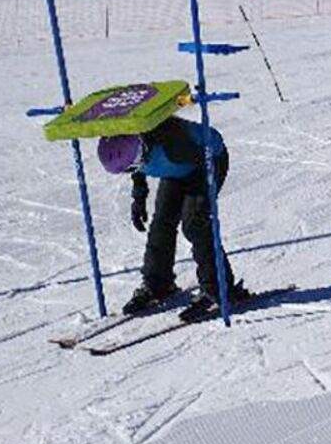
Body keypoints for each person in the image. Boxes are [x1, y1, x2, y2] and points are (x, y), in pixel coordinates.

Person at [97, 118, 249, 322]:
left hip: (207, 160)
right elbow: (137, 171)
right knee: (161, 223)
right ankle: (158, 285)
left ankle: (219, 289)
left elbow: (203, 166)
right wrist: (139, 197)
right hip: (177, 168)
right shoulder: (135, 150)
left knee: (195, 224)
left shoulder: (172, 145)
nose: (136, 167)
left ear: (141, 145)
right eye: (130, 167)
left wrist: (199, 203)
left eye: (137, 161)